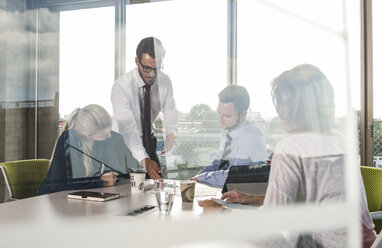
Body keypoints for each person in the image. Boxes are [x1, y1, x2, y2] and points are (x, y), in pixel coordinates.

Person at [199, 64, 376, 247]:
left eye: (283, 103)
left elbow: (271, 230)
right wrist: (254, 199)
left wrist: (223, 215)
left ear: (295, 108)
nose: (279, 109)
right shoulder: (341, 142)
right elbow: (316, 202)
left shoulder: (291, 147)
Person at [111, 37, 178, 180]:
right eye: (147, 68)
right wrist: (144, 160)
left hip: (148, 138)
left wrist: (170, 133)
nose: (152, 74)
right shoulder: (122, 86)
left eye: (157, 68)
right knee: (126, 188)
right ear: (137, 62)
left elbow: (170, 109)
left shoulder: (164, 81)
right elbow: (128, 130)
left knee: (157, 183)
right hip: (122, 141)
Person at [38, 104, 127, 195]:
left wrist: (112, 176)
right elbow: (57, 185)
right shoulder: (69, 139)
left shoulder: (103, 140)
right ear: (88, 133)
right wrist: (100, 181)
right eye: (103, 134)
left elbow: (116, 171)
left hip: (84, 196)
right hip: (54, 198)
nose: (109, 136)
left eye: (109, 131)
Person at [191, 85, 267, 187]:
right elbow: (218, 162)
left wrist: (201, 178)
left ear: (243, 114)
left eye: (227, 116)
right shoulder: (228, 130)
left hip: (246, 192)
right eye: (219, 113)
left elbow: (235, 176)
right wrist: (196, 177)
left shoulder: (250, 137)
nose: (220, 120)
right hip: (227, 190)